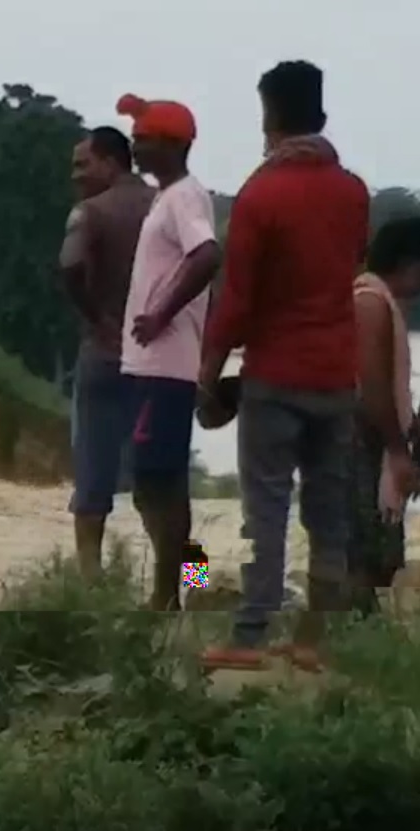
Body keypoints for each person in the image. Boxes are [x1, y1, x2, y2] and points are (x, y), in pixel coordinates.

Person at [199, 61, 371, 671]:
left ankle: (235, 630)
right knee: (325, 513)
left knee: (248, 510)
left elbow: (235, 299)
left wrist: (207, 372)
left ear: (270, 116)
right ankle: (312, 640)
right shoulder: (352, 192)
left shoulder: (259, 194)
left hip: (268, 377)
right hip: (334, 377)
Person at [113, 93, 223, 610]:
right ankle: (190, 587)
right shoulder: (167, 197)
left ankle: (171, 595)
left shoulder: (184, 197)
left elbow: (207, 256)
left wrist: (160, 315)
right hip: (150, 366)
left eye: (143, 139)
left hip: (165, 366)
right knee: (159, 486)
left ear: (174, 144)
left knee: (159, 485)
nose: (135, 147)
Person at [60, 125, 157, 582]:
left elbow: (71, 264)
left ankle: (89, 582)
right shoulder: (167, 206)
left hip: (105, 355)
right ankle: (188, 583)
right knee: (171, 486)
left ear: (112, 162)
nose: (76, 175)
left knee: (92, 479)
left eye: (84, 164)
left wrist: (96, 317)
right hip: (162, 365)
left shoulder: (91, 212)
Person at [348, 217, 420, 614]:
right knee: (363, 547)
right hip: (364, 443)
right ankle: (188, 588)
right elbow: (371, 385)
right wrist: (397, 449)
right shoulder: (371, 303)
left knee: (378, 549)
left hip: (373, 442)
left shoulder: (382, 304)